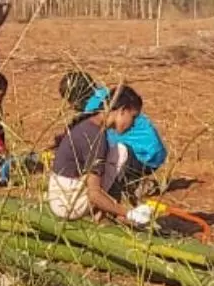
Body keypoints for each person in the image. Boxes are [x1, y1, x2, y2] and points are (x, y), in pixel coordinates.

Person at [46, 85, 151, 227]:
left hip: (58, 197)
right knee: (120, 152)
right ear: (122, 111)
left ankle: (105, 212)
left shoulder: (88, 125)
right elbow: (94, 195)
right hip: (68, 205)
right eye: (133, 117)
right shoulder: (96, 138)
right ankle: (106, 213)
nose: (132, 125)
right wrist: (129, 213)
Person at [59, 70, 167, 200]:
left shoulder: (95, 108)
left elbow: (96, 142)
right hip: (154, 153)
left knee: (101, 153)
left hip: (144, 156)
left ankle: (129, 185)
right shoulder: (106, 95)